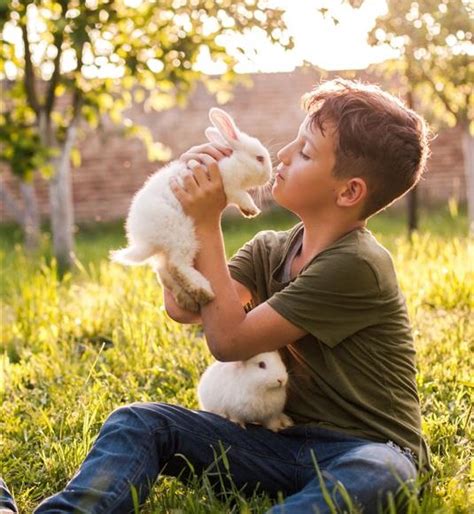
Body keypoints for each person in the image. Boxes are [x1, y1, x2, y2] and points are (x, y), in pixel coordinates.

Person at [2, 79, 431, 514]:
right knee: (139, 422)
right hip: (276, 440)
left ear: (349, 191)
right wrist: (185, 211)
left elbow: (228, 341)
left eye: (304, 153)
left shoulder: (356, 264)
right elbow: (183, 307)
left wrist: (209, 224)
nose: (282, 156)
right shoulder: (270, 248)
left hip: (365, 449)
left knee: (380, 471)